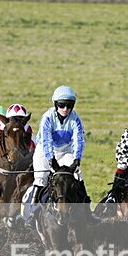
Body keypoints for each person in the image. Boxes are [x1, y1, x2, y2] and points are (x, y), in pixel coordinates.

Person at [24, 85, 94, 221]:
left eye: (69, 105)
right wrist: (51, 160)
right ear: (56, 104)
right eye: (62, 105)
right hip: (45, 151)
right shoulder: (48, 117)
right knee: (41, 178)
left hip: (65, 151)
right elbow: (46, 140)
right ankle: (33, 213)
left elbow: (79, 140)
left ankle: (87, 212)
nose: (65, 109)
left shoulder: (75, 119)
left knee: (78, 175)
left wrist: (77, 160)